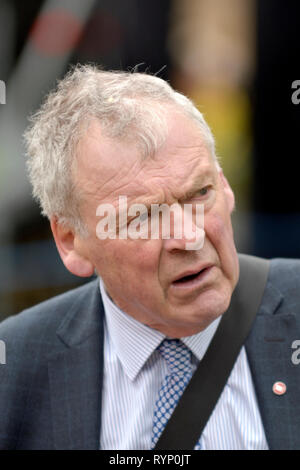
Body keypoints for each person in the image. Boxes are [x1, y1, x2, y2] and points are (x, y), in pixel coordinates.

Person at [0, 65, 299, 450]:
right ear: (71, 241)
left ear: (224, 186)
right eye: (143, 217)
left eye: (199, 194)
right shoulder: (14, 374)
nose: (189, 237)